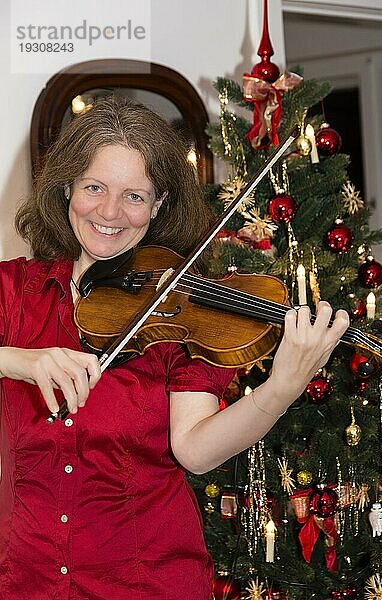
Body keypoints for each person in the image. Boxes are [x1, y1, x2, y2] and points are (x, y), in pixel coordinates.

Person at [0, 97, 349, 600]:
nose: (110, 212)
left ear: (158, 204)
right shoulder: (16, 293)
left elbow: (196, 451)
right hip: (27, 580)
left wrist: (285, 385)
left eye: (134, 196)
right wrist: (18, 359)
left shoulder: (177, 312)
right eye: (94, 187)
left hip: (146, 582)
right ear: (67, 188)